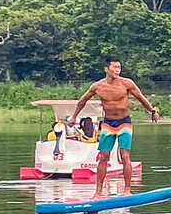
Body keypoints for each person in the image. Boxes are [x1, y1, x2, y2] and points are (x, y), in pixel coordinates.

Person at [68, 57, 159, 198]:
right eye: (114, 67)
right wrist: (74, 117)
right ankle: (98, 191)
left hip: (124, 123)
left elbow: (141, 97)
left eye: (119, 68)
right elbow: (82, 101)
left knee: (124, 155)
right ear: (106, 69)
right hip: (108, 123)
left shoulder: (127, 83)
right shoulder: (97, 86)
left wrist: (152, 111)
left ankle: (127, 190)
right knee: (104, 156)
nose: (117, 70)